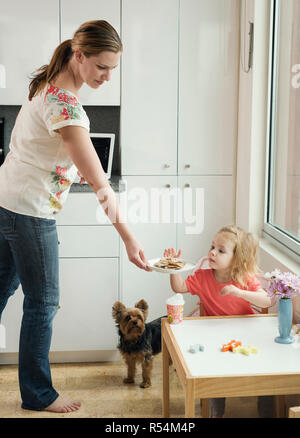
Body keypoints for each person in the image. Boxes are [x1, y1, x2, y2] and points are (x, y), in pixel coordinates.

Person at [0, 20, 151, 413]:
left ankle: (36, 390)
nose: (108, 76)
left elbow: (54, 151)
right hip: (30, 212)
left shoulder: (46, 83)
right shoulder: (67, 106)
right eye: (102, 67)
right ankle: (38, 395)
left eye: (113, 68)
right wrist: (130, 239)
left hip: (7, 200)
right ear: (79, 56)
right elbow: (102, 186)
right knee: (43, 303)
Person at [164, 224, 274, 418]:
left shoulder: (243, 279)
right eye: (212, 246)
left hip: (245, 336)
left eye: (220, 250)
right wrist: (174, 266)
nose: (212, 252)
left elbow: (266, 300)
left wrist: (240, 292)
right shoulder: (202, 277)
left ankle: (267, 411)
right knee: (214, 369)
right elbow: (179, 287)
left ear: (236, 259)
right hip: (214, 337)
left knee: (264, 368)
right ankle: (217, 412)